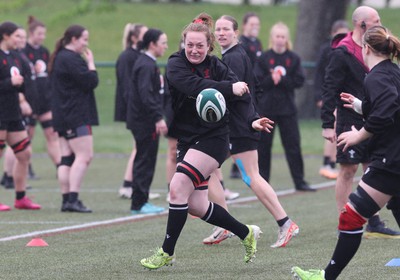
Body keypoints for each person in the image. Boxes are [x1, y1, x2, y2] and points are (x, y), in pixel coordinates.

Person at [140, 13, 263, 270]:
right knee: (196, 205)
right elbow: (195, 85)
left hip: (214, 139)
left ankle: (166, 252)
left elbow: (241, 95)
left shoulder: (217, 66)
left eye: (200, 45)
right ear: (183, 43)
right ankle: (245, 232)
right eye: (190, 44)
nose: (194, 50)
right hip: (188, 139)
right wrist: (230, 88)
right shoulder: (175, 64)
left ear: (209, 47)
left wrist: (252, 119)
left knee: (177, 187)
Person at [292, 25, 400, 280]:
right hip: (394, 156)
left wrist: (358, 134)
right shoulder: (392, 72)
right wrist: (363, 106)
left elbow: (386, 112)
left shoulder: (376, 77)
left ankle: (326, 277)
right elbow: (392, 107)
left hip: (390, 160)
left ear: (367, 48)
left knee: (351, 218)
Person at [202, 14, 299, 248]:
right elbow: (255, 89)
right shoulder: (233, 56)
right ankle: (224, 223)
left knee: (250, 177)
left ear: (236, 32)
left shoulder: (234, 58)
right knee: (207, 169)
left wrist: (251, 120)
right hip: (235, 126)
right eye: (218, 30)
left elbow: (240, 94)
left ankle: (286, 223)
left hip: (238, 127)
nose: (221, 33)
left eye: (226, 29)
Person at [320, 6, 399, 238]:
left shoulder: (378, 53)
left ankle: (373, 221)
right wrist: (327, 123)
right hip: (351, 120)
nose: (380, 23)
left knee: (373, 168)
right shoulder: (342, 52)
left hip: (372, 118)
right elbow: (329, 88)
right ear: (361, 25)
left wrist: (361, 105)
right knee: (348, 170)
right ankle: (344, 220)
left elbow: (385, 101)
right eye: (375, 21)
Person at [254, 22, 315, 192]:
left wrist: (282, 80)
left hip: (287, 110)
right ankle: (263, 183)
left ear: (286, 39)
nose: (280, 40)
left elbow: (299, 81)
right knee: (264, 147)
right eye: (277, 36)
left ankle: (299, 181)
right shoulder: (264, 58)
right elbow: (258, 81)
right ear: (272, 38)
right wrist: (270, 78)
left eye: (283, 37)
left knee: (293, 146)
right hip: (267, 110)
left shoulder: (293, 58)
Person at [49, 24, 99, 213]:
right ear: (74, 39)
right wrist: (91, 63)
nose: (86, 43)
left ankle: (66, 199)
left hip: (62, 115)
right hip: (75, 115)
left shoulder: (60, 57)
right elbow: (90, 81)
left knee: (66, 158)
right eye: (84, 39)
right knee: (84, 156)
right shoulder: (71, 59)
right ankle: (72, 198)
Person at [114, 23, 161, 200]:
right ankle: (131, 187)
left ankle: (133, 186)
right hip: (137, 113)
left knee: (139, 149)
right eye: (144, 34)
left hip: (142, 112)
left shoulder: (141, 58)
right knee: (141, 150)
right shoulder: (129, 57)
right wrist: (134, 110)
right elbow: (130, 88)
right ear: (135, 38)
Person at [0, 21, 41, 211]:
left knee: (24, 154)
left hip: (12, 113)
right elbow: (8, 83)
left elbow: (23, 83)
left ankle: (20, 197)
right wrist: (10, 82)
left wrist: (23, 88)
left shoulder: (17, 57)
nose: (20, 40)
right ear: (5, 36)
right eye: (17, 36)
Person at [127, 28, 168, 215]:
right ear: (152, 44)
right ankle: (139, 203)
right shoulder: (145, 65)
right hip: (144, 121)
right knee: (144, 159)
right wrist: (158, 117)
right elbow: (146, 95)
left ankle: (141, 200)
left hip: (146, 120)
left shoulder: (149, 63)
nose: (165, 47)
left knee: (147, 158)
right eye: (163, 43)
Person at [314, 20, 350, 180]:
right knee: (333, 125)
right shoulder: (326, 50)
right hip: (330, 95)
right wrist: (320, 96)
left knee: (340, 127)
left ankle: (333, 161)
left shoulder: (349, 50)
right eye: (339, 34)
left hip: (345, 95)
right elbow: (319, 74)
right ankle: (327, 162)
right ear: (332, 34)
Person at [24, 16, 60, 171]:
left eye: (43, 34)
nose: (42, 37)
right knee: (27, 137)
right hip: (29, 101)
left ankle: (60, 166)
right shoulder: (23, 51)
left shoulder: (45, 52)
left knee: (52, 134)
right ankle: (26, 166)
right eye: (39, 33)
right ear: (31, 33)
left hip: (45, 100)